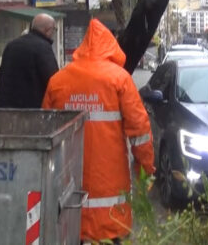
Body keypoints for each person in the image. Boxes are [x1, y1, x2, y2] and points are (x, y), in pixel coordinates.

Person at [42, 18, 155, 243]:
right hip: (111, 201)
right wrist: (146, 169)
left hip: (69, 195)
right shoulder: (119, 79)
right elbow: (140, 130)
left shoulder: (58, 81)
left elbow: (45, 132)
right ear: (110, 46)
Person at [0, 13, 59, 108]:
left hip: (4, 107)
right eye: (54, 30)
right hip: (30, 110)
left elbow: (0, 73)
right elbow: (53, 79)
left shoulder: (12, 45)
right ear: (48, 30)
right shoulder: (43, 47)